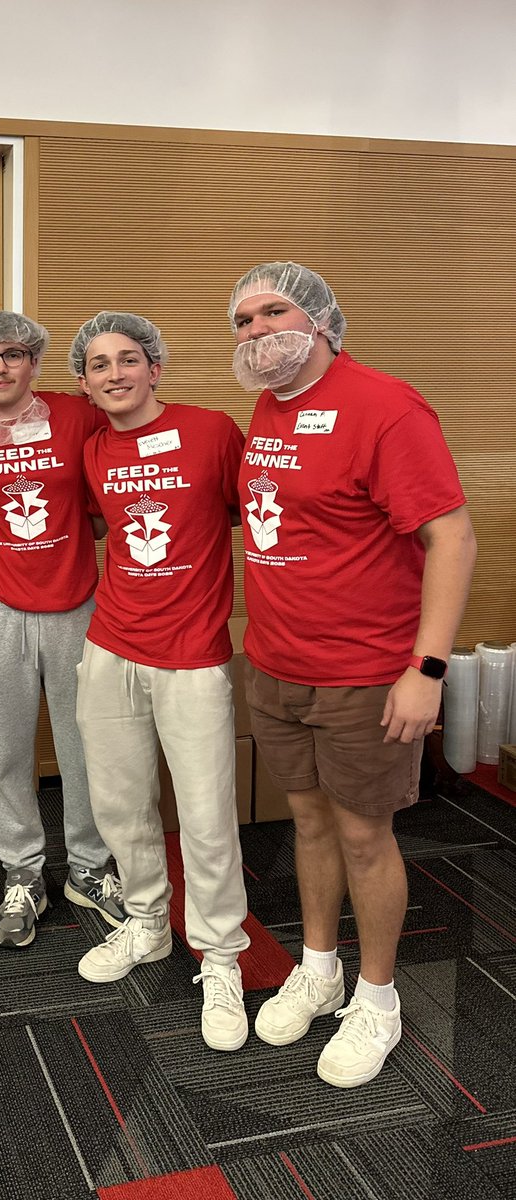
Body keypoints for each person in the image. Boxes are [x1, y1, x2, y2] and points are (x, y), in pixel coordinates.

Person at [227, 261, 476, 1087]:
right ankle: (321, 966)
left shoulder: (385, 406)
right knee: (307, 824)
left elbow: (452, 539)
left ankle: (377, 998)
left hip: (365, 674)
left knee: (366, 835)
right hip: (276, 663)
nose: (258, 331)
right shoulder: (269, 406)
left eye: (274, 312)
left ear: (324, 321)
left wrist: (426, 668)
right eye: (244, 320)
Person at [69, 311, 251, 1052]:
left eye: (128, 359)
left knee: (207, 817)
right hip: (111, 645)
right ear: (84, 383)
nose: (114, 373)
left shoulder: (213, 431)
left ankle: (222, 955)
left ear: (155, 367)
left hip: (193, 653)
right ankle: (147, 922)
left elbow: (253, 518)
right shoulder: (91, 453)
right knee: (119, 804)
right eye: (99, 365)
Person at [0, 310, 125, 948]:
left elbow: (121, 471)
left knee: (86, 748)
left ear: (36, 362)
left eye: (14, 354)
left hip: (77, 603)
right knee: (7, 749)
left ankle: (88, 865)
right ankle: (21, 873)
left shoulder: (78, 417)